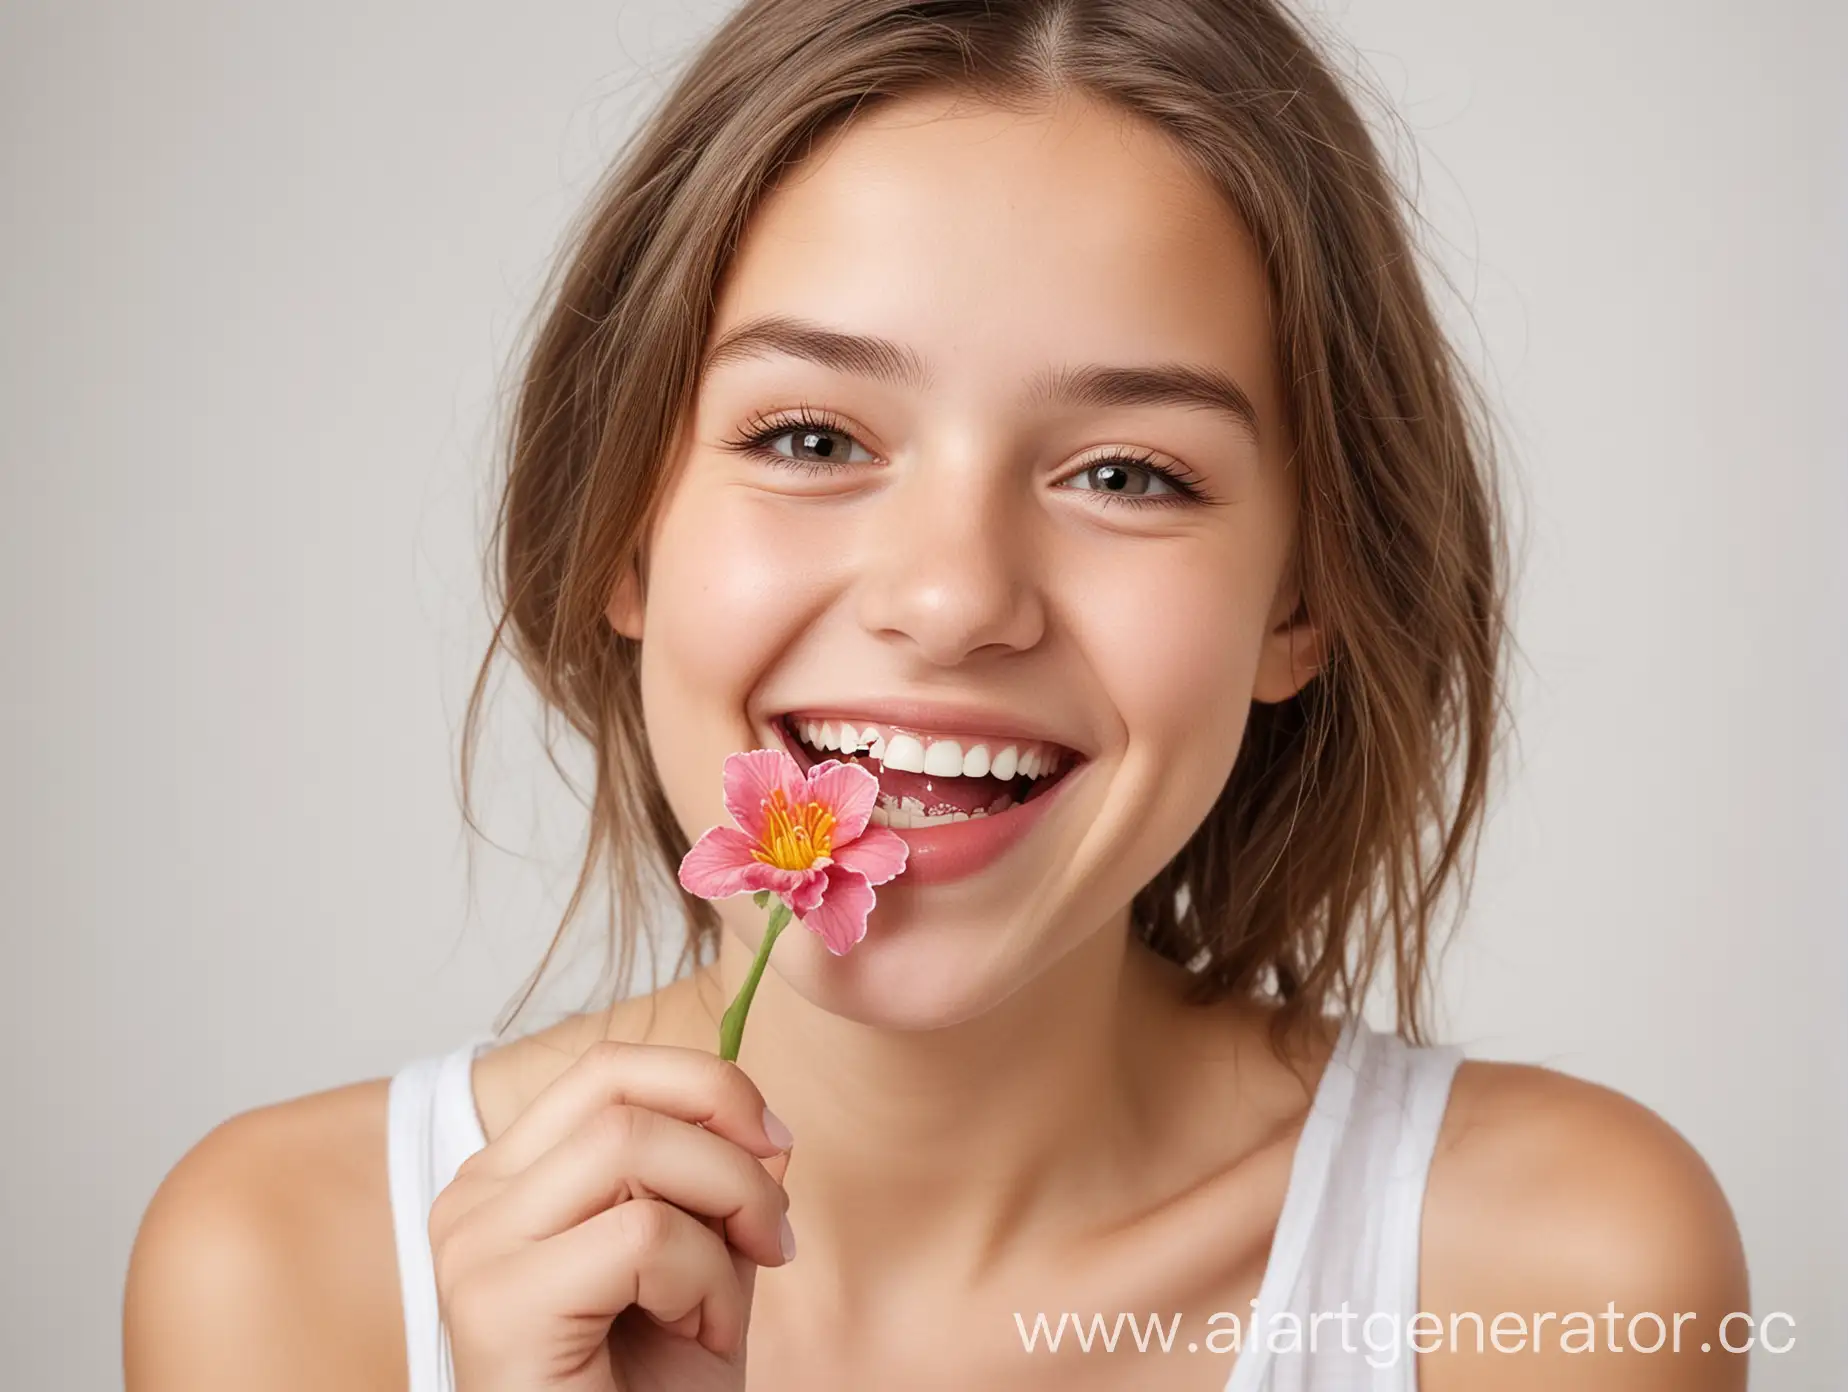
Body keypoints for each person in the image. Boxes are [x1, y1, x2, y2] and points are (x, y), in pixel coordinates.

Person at [123, 1, 1748, 1387]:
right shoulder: (284, 1277)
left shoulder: (1564, 1276)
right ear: (624, 524)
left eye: (1128, 471)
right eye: (812, 438)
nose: (954, 597)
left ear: (1303, 603)